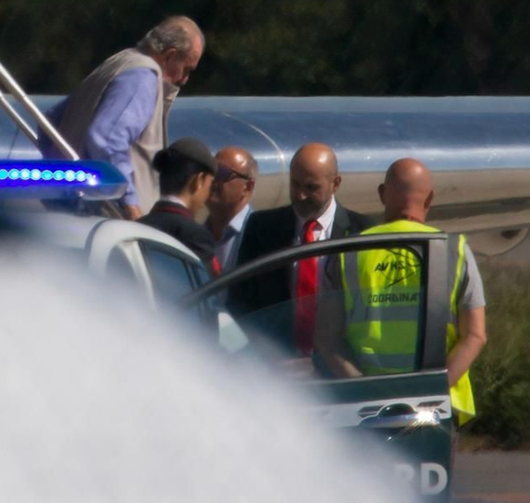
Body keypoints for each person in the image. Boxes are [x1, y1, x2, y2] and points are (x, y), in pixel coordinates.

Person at [315, 159, 486, 424]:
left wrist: (366, 391)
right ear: (429, 198)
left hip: (365, 409)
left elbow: (327, 339)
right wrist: (432, 390)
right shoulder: (455, 251)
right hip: (436, 409)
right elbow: (475, 335)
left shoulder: (347, 254)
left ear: (382, 194)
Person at [45, 16, 204, 218]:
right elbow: (107, 140)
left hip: (73, 210)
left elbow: (50, 122)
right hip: (109, 219)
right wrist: (131, 204)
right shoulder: (143, 78)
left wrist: (59, 177)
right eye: (187, 69)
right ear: (170, 56)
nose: (184, 79)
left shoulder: (115, 64)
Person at [229, 143, 372, 352]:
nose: (300, 195)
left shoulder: (363, 231)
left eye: (311, 187)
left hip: (340, 364)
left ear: (336, 184)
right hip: (277, 364)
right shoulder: (262, 228)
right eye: (295, 185)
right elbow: (241, 302)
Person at [137, 138, 219, 268]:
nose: (207, 196)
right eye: (210, 185)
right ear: (199, 181)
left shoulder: (136, 227)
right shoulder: (196, 236)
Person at [206, 146, 258, 274]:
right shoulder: (197, 235)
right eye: (210, 172)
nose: (213, 180)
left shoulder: (261, 235)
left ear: (247, 186)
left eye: (222, 173)